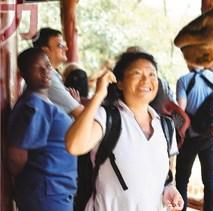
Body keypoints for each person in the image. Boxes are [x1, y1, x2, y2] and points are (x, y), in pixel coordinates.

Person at [65, 51, 183, 210]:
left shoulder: (166, 126)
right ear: (119, 82)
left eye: (152, 74)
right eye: (137, 73)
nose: (146, 79)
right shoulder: (107, 118)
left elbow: (167, 175)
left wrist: (170, 189)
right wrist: (99, 95)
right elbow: (74, 145)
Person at [7, 48, 77, 211]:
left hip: (56, 191)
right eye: (37, 68)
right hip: (45, 194)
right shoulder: (33, 107)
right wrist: (32, 183)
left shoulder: (45, 103)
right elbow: (16, 158)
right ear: (23, 73)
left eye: (47, 66)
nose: (45, 71)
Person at [175, 65, 213, 211]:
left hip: (189, 137)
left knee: (182, 179)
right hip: (210, 137)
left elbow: (181, 110)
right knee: (210, 180)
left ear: (188, 62)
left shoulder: (183, 80)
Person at [32, 27, 84, 117]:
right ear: (45, 51)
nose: (66, 48)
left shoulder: (53, 75)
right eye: (60, 45)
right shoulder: (47, 78)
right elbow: (80, 113)